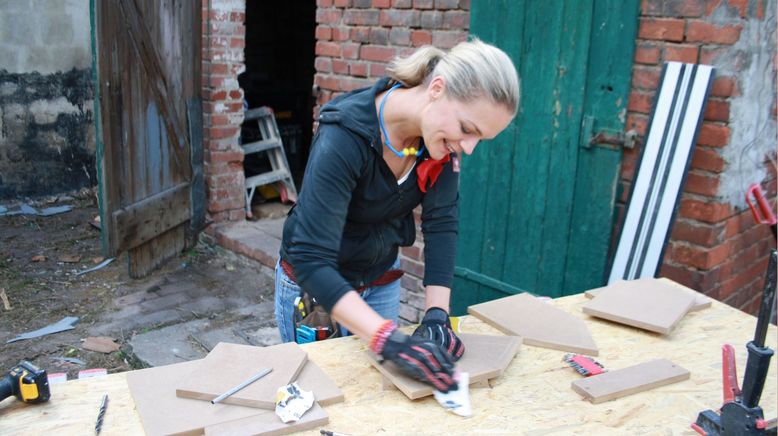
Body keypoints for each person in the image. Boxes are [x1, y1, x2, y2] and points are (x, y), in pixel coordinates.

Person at [274, 38, 520, 393]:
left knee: (380, 398)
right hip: (315, 290)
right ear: (437, 88)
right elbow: (311, 259)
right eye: (468, 129)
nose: (468, 147)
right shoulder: (345, 136)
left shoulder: (437, 142)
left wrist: (438, 315)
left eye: (481, 138)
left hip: (379, 282)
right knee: (318, 400)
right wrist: (388, 340)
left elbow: (442, 223)